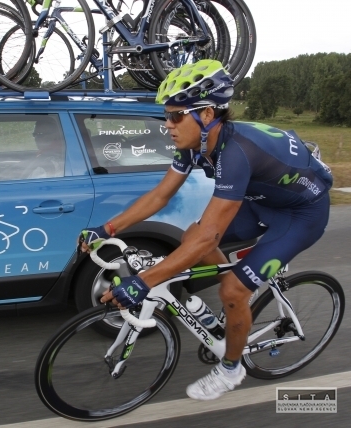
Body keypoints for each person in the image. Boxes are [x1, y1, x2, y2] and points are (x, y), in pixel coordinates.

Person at [78, 60, 333, 401]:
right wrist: (105, 228)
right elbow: (160, 195)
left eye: (176, 116)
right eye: (166, 116)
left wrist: (144, 282)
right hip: (259, 200)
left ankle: (232, 367)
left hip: (300, 214)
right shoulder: (195, 145)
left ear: (207, 115)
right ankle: (235, 298)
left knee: (231, 290)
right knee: (189, 238)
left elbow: (209, 237)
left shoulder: (236, 153)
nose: (167, 125)